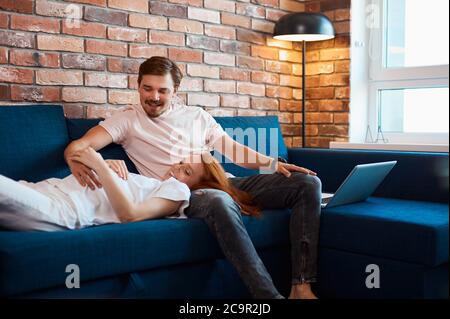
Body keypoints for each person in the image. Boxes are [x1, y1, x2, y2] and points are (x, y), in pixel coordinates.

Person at [64, 56, 322, 299]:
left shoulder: (196, 116)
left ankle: (301, 287)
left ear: (175, 90)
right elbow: (79, 146)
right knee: (220, 200)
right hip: (185, 193)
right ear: (138, 86)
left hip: (223, 181)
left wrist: (272, 163)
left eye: (162, 90)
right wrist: (90, 162)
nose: (154, 97)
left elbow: (232, 149)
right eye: (147, 88)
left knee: (307, 183)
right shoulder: (127, 119)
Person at [0, 149, 258, 231]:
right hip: (47, 188)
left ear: (197, 187)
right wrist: (107, 167)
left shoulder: (179, 192)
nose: (176, 169)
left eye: (186, 171)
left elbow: (130, 215)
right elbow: (78, 151)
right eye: (180, 162)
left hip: (63, 208)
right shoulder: (152, 183)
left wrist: (100, 166)